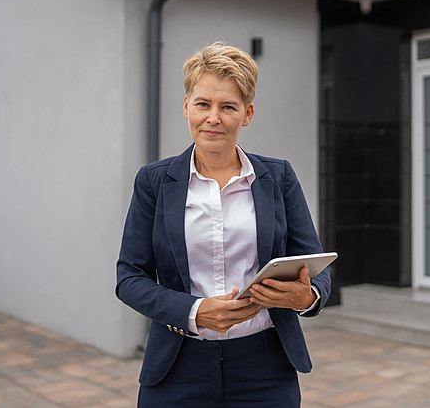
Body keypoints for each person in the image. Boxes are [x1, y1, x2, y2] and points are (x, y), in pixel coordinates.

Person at [116, 42, 331, 407]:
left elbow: (315, 266)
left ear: (246, 114)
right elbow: (129, 277)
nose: (213, 117)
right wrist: (195, 311)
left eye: (227, 107)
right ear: (186, 107)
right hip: (177, 367)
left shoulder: (277, 177)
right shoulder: (153, 181)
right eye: (203, 104)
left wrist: (307, 297)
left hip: (265, 368)